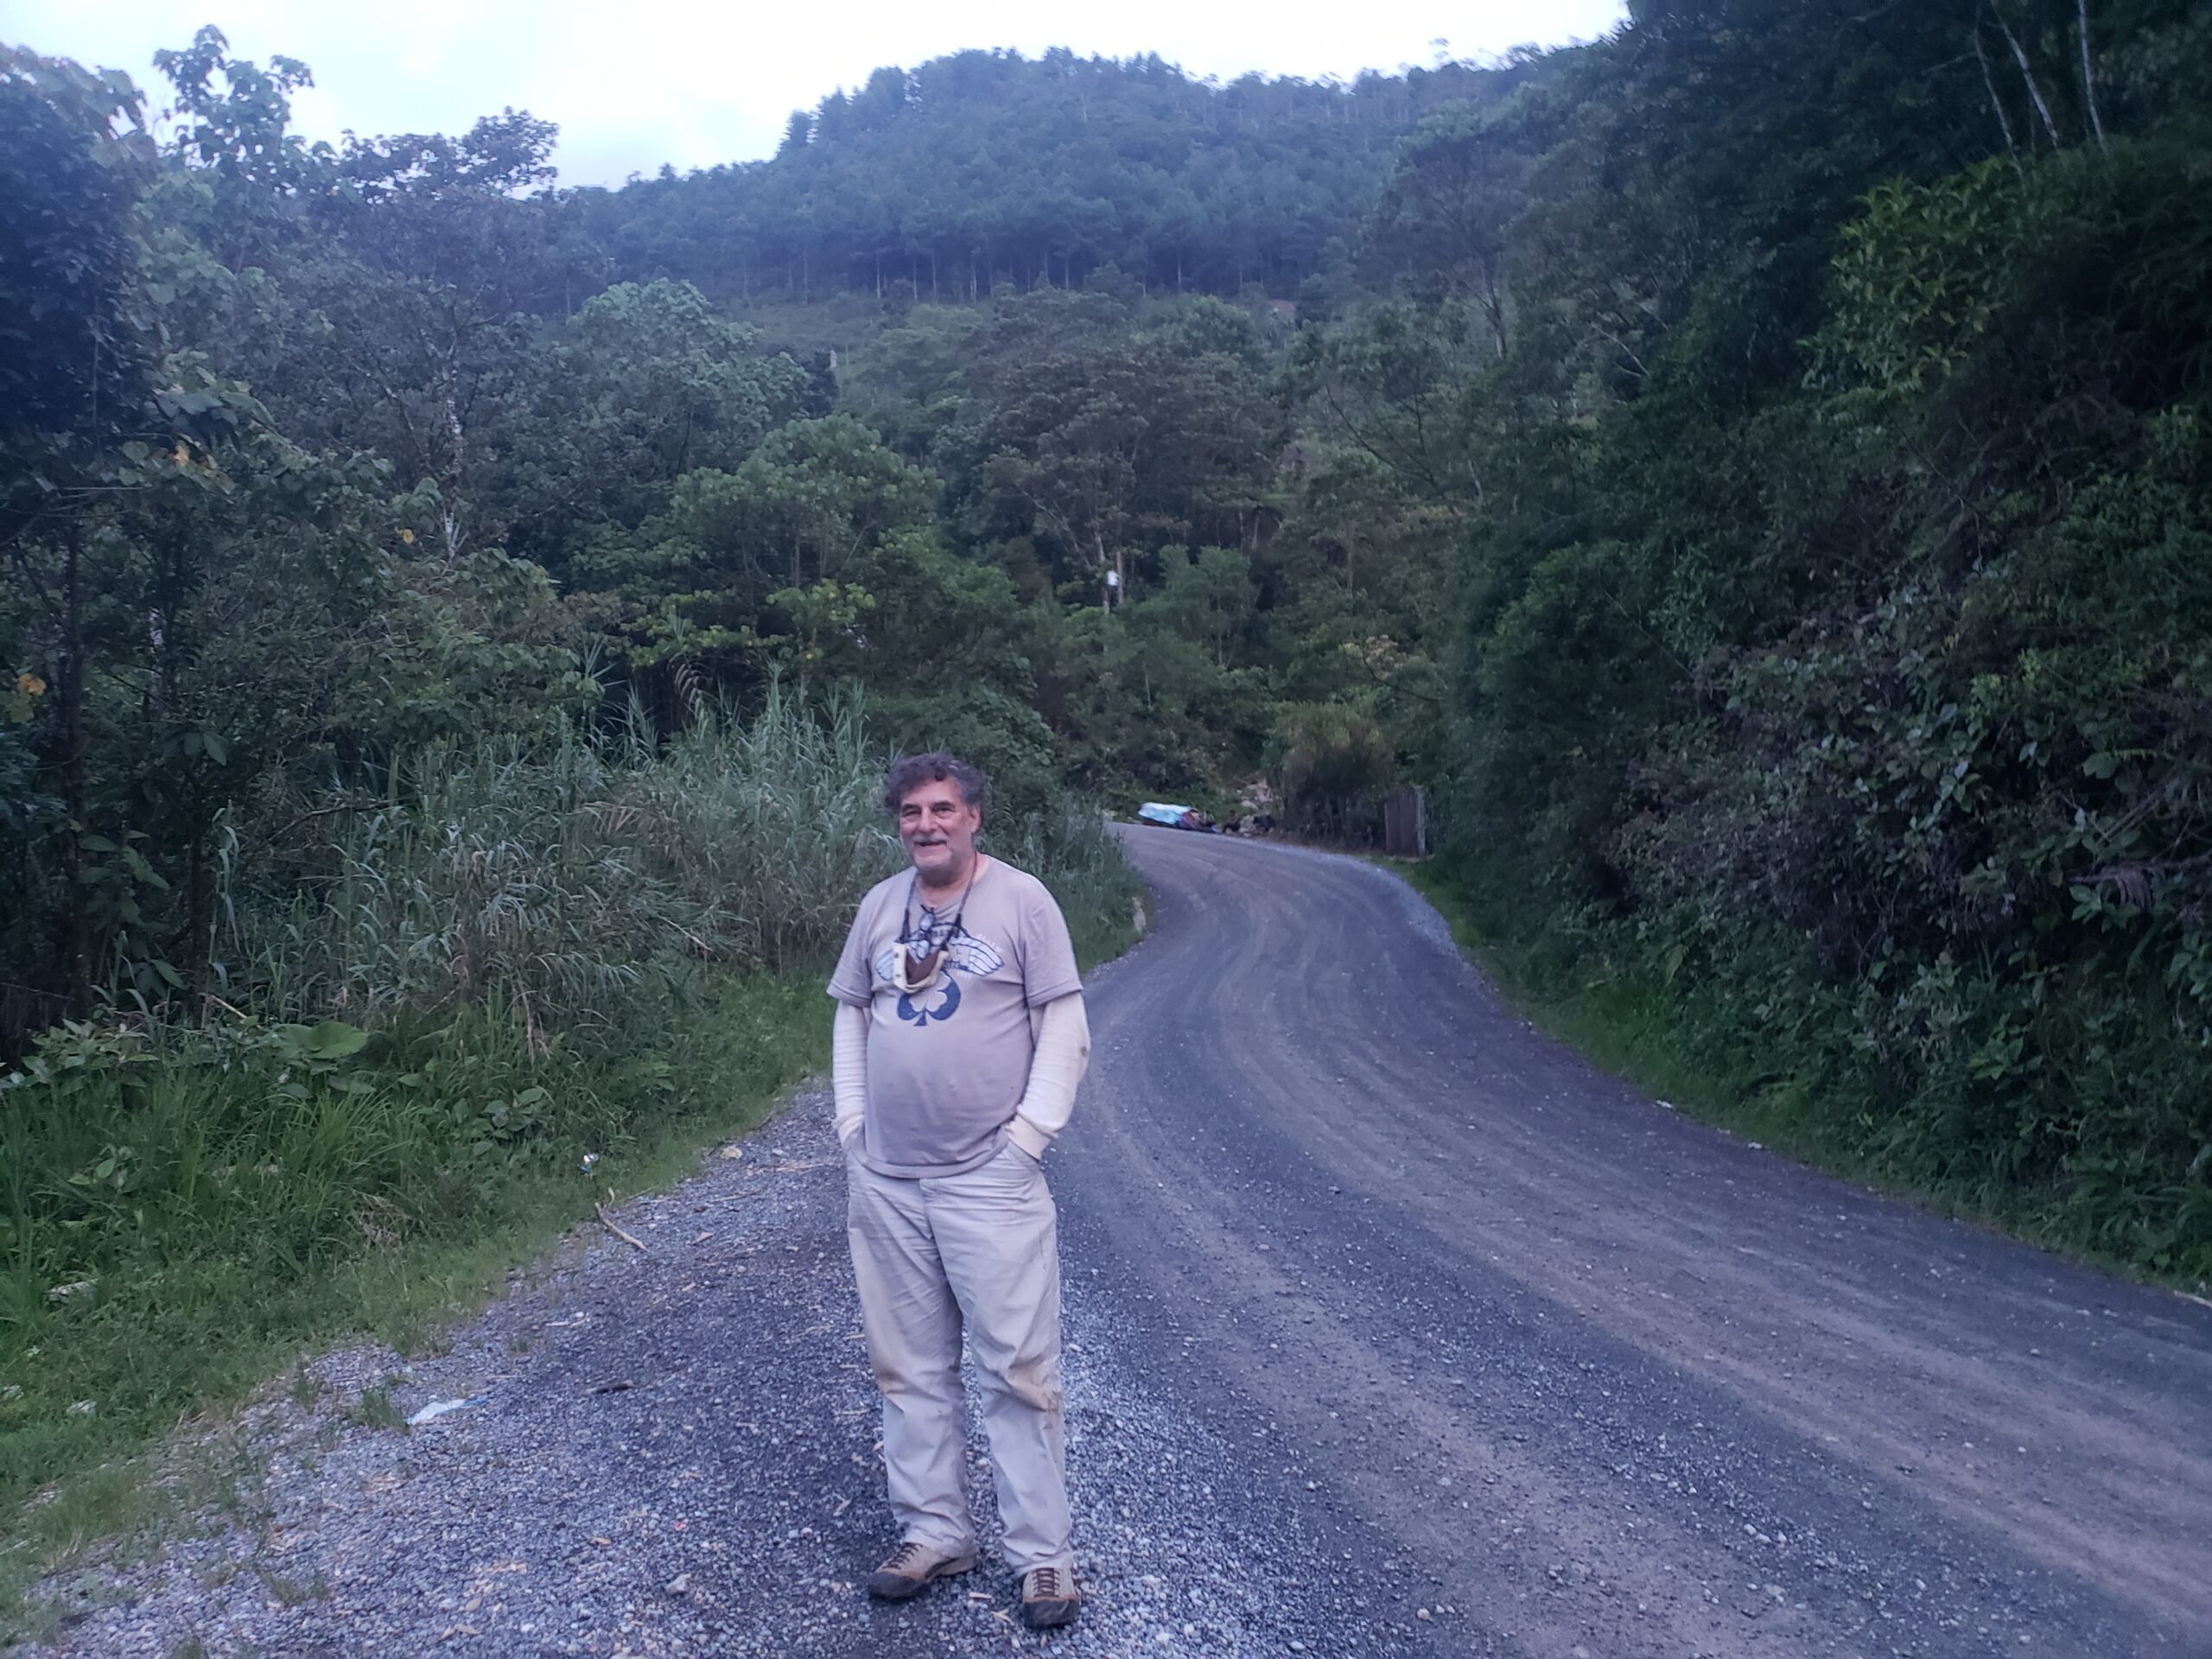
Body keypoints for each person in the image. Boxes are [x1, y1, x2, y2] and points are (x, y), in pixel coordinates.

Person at [827, 752, 1091, 1631]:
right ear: (898, 822)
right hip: (889, 1180)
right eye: (910, 811)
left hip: (990, 1179)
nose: (926, 823)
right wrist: (853, 1130)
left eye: (942, 808)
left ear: (974, 816)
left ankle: (1043, 1559)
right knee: (906, 1369)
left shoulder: (1022, 901)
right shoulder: (879, 906)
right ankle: (935, 1530)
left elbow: (1064, 1023)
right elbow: (852, 1013)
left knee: (1017, 1372)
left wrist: (1026, 1143)